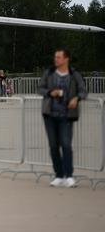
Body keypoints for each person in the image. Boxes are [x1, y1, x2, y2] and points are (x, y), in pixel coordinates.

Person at [38, 48, 87, 188]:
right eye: (55, 57)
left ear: (66, 59)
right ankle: (59, 175)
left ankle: (69, 176)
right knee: (53, 146)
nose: (56, 60)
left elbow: (83, 91)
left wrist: (76, 99)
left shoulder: (74, 74)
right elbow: (40, 88)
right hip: (50, 115)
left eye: (58, 57)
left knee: (66, 145)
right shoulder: (49, 73)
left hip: (66, 116)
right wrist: (49, 92)